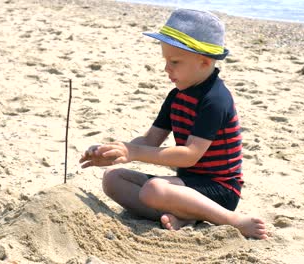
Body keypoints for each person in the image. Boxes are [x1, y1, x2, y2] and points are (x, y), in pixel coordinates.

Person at [79, 9, 267, 239]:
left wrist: (135, 152)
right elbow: (149, 140)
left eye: (175, 61)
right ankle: (184, 216)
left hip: (219, 190)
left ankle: (232, 221)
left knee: (154, 189)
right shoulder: (177, 96)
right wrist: (115, 152)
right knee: (112, 178)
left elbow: (189, 155)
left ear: (204, 62)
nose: (166, 68)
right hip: (186, 185)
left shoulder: (215, 100)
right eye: (166, 60)